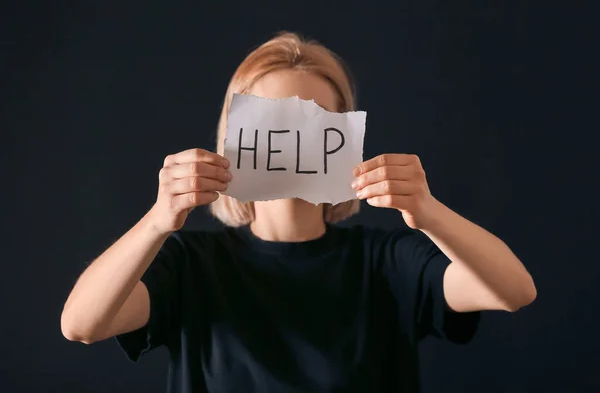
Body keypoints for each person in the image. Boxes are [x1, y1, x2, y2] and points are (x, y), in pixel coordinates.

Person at [61, 32, 537, 393]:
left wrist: (429, 212)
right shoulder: (190, 264)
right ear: (234, 134)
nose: (288, 140)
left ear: (343, 138)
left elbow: (514, 291)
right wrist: (157, 220)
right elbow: (81, 325)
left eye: (310, 119)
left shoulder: (388, 261)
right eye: (269, 119)